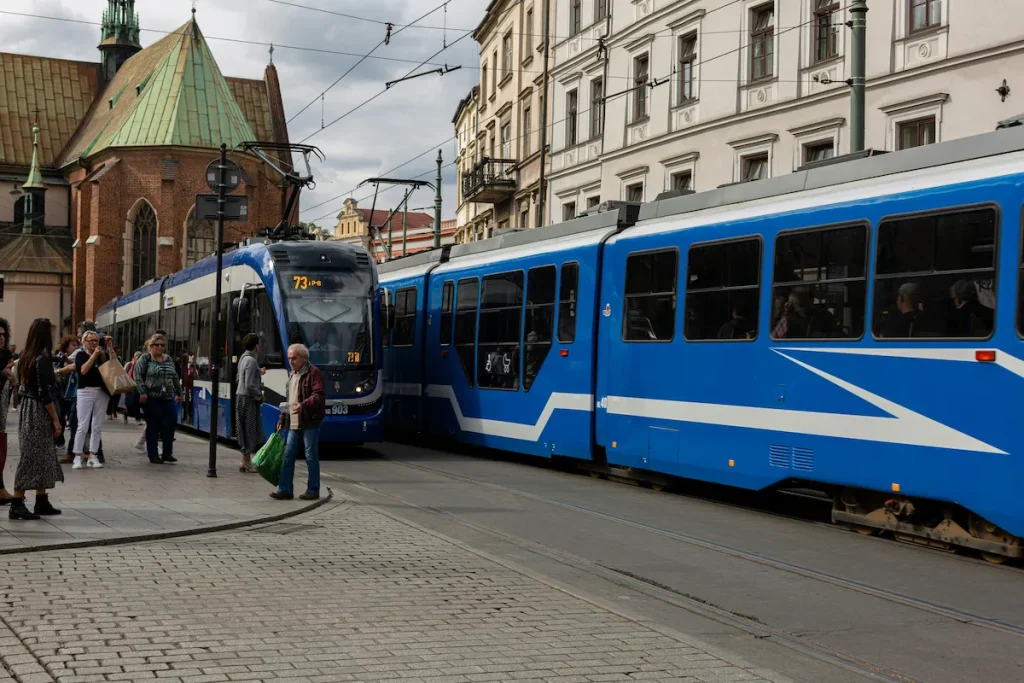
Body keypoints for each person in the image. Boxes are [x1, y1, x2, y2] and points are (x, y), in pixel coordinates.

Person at [10, 318, 63, 520]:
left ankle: (41, 499)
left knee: (42, 454)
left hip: (28, 408)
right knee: (31, 456)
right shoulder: (41, 359)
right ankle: (17, 502)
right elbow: (44, 393)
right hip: (38, 410)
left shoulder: (26, 356)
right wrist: (56, 420)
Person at [271, 343, 325, 501]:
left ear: (304, 358)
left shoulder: (313, 372)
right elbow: (289, 399)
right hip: (293, 422)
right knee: (288, 456)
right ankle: (285, 489)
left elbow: (319, 395)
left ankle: (313, 490)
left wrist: (303, 405)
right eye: (289, 358)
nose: (291, 361)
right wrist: (282, 418)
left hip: (310, 421)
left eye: (294, 358)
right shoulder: (292, 374)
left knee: (310, 456)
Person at [134, 333, 182, 465]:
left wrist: (179, 393)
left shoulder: (168, 359)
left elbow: (175, 377)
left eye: (162, 345)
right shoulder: (145, 359)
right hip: (152, 398)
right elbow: (137, 376)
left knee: (170, 423)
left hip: (168, 397)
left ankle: (167, 453)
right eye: (157, 345)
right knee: (153, 426)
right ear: (151, 346)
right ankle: (153, 454)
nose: (160, 347)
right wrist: (143, 392)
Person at [71, 330, 112, 470]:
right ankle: (77, 456)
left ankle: (92, 456)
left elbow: (114, 364)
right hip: (85, 391)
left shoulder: (102, 354)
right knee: (83, 425)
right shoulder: (81, 355)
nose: (94, 343)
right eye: (91, 341)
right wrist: (94, 355)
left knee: (97, 425)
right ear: (84, 342)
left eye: (96, 340)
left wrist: (110, 347)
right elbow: (83, 370)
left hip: (101, 391)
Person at [235, 333, 267, 473]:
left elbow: (240, 377)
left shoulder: (243, 358)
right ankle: (247, 463)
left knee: (243, 429)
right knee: (249, 429)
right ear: (256, 346)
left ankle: (244, 461)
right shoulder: (252, 360)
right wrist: (259, 396)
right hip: (248, 399)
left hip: (240, 397)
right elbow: (249, 384)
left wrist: (258, 372)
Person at [53, 335, 79, 448]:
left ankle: (68, 443)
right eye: (73, 345)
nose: (76, 347)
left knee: (71, 418)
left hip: (72, 392)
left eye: (77, 345)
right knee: (60, 417)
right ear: (66, 346)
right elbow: (55, 371)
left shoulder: (75, 357)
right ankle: (59, 439)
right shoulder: (59, 357)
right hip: (60, 391)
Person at [0, 318, 14, 506]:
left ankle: (1, 489)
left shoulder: (4, 353)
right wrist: (4, 371)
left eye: (3, 335)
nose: (1, 338)